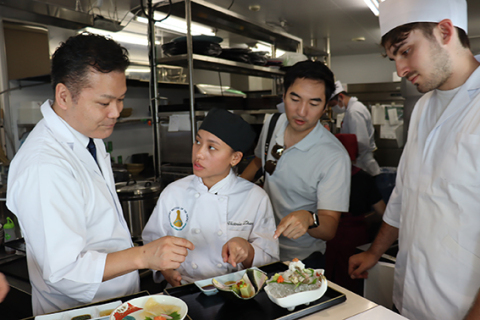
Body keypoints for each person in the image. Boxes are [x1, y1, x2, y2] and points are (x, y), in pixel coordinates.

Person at [6, 34, 194, 316]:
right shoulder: (44, 165)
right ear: (64, 96)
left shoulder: (89, 136)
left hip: (117, 303)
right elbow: (64, 272)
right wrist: (145, 255)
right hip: (80, 311)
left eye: (120, 99)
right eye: (104, 103)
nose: (116, 112)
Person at [348, 0, 480, 319]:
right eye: (394, 58)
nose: (400, 70)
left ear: (445, 31)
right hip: (409, 297)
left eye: (406, 51)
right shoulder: (422, 109)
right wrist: (375, 253)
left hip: (459, 307)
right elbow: (404, 194)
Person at [143, 108, 279, 286]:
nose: (199, 153)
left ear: (235, 158)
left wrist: (248, 250)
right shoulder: (174, 192)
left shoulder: (255, 198)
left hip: (235, 291)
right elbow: (151, 244)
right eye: (197, 142)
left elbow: (270, 261)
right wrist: (166, 271)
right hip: (183, 289)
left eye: (212, 147)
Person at [241, 60, 351, 268]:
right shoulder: (273, 123)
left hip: (300, 259)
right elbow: (258, 162)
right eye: (295, 99)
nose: (301, 111)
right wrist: (231, 190)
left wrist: (309, 218)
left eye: (314, 103)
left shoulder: (334, 157)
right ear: (284, 96)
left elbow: (329, 228)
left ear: (326, 106)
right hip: (257, 245)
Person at [324, 134, 385, 295]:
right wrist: (364, 219)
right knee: (354, 281)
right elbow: (382, 212)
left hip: (330, 235)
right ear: (356, 154)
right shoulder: (365, 178)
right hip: (357, 238)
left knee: (330, 281)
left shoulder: (326, 176)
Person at [328, 81, 380, 176]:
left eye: (332, 105)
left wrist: (352, 159)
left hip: (362, 163)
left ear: (341, 97)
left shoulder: (354, 111)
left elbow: (361, 142)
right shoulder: (351, 110)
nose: (333, 108)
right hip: (360, 161)